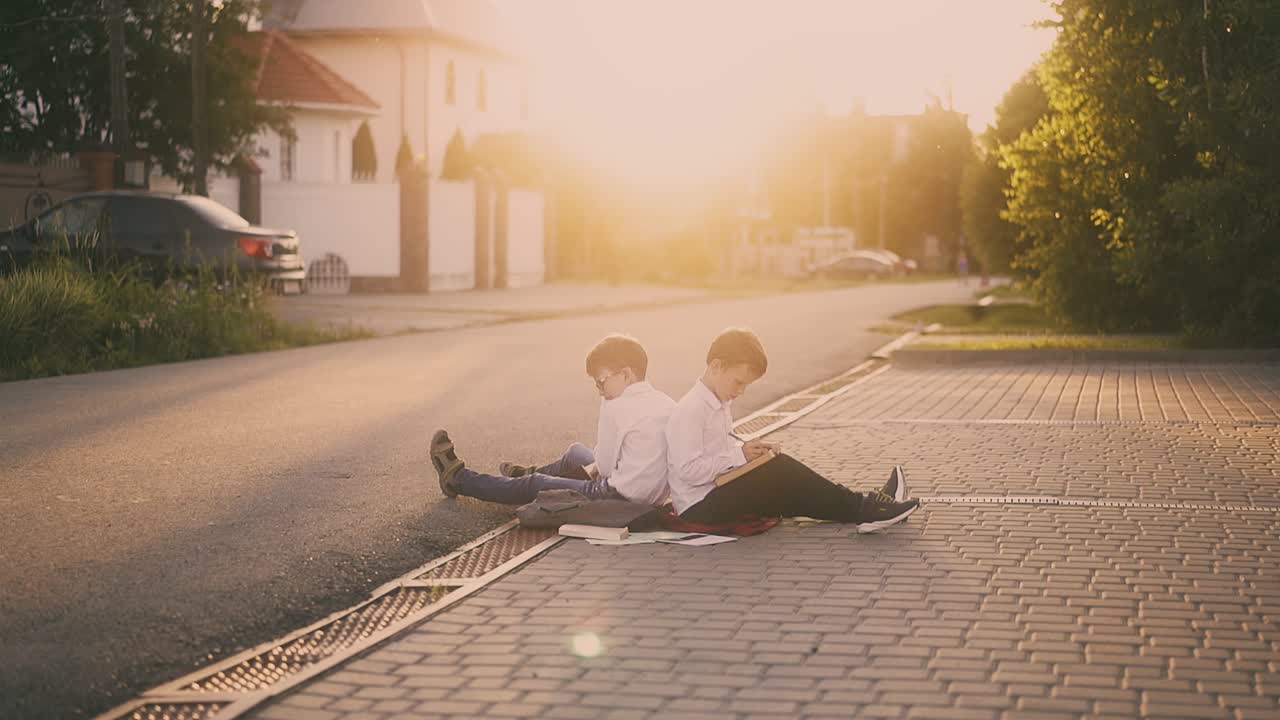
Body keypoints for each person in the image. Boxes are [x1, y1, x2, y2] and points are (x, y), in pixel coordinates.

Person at [665, 327, 919, 532]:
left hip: (718, 491)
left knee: (792, 488)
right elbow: (687, 472)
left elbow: (717, 453)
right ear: (716, 366)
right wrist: (739, 455)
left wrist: (751, 453)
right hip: (699, 506)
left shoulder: (719, 402)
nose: (740, 391)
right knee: (781, 471)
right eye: (738, 382)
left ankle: (869, 508)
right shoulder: (691, 410)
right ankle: (867, 508)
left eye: (746, 386)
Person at [430, 334, 676, 506]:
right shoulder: (665, 402)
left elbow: (606, 467)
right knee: (577, 452)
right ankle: (521, 476)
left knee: (536, 485)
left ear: (625, 374)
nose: (599, 389)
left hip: (619, 497)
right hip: (649, 495)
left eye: (601, 381)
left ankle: (458, 479)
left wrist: (606, 406)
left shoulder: (616, 405)